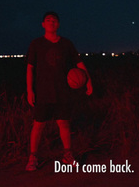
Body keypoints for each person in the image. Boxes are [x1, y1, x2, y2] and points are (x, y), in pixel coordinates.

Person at [25, 11, 93, 171]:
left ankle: (67, 155)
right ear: (43, 24)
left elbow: (79, 64)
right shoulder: (36, 44)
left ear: (58, 24)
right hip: (42, 91)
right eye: (48, 20)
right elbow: (29, 68)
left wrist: (89, 81)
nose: (51, 22)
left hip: (62, 91)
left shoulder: (66, 44)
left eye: (54, 20)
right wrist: (29, 90)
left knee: (64, 123)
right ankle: (33, 157)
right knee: (38, 125)